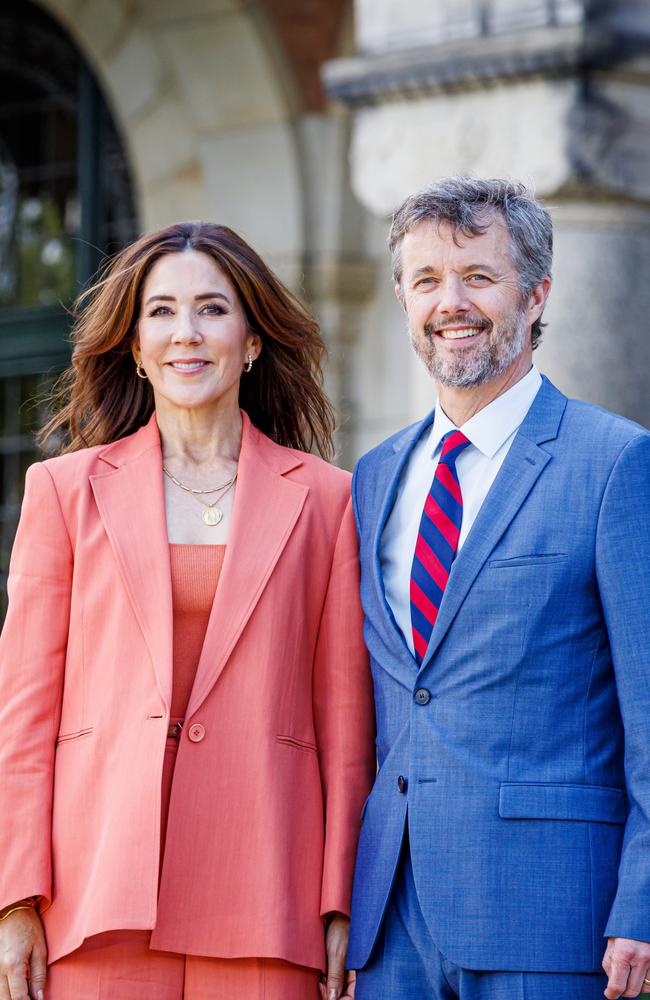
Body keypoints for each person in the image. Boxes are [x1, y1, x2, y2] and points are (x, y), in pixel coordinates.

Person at [0, 221, 375, 1000]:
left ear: (252, 340)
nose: (186, 334)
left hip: (267, 886)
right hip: (97, 889)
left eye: (212, 309)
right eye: (162, 312)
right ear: (135, 346)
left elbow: (346, 727)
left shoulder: (328, 501)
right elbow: (24, 716)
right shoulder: (65, 493)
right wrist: (14, 897)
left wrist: (342, 899)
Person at [346, 177, 650, 1000]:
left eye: (479, 276)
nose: (452, 303)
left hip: (552, 913)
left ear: (536, 292)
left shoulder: (614, 462)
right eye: (427, 280)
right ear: (405, 300)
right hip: (390, 921)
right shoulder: (373, 479)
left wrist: (645, 901)